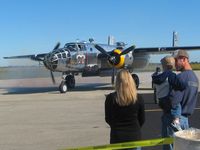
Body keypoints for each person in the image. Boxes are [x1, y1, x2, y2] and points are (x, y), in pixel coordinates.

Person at [152, 56, 187, 150]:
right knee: (177, 106)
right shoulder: (171, 75)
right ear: (171, 66)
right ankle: (176, 121)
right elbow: (181, 85)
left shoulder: (157, 76)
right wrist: (183, 85)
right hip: (169, 100)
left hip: (162, 101)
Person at [105, 69, 145, 150]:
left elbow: (108, 118)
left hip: (117, 137)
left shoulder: (111, 98)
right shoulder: (138, 98)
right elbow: (142, 119)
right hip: (134, 136)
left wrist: (116, 126)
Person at [170, 49, 199, 130]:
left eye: (176, 60)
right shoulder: (195, 78)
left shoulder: (180, 77)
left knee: (170, 143)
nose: (174, 64)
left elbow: (174, 100)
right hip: (185, 120)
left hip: (175, 120)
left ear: (184, 59)